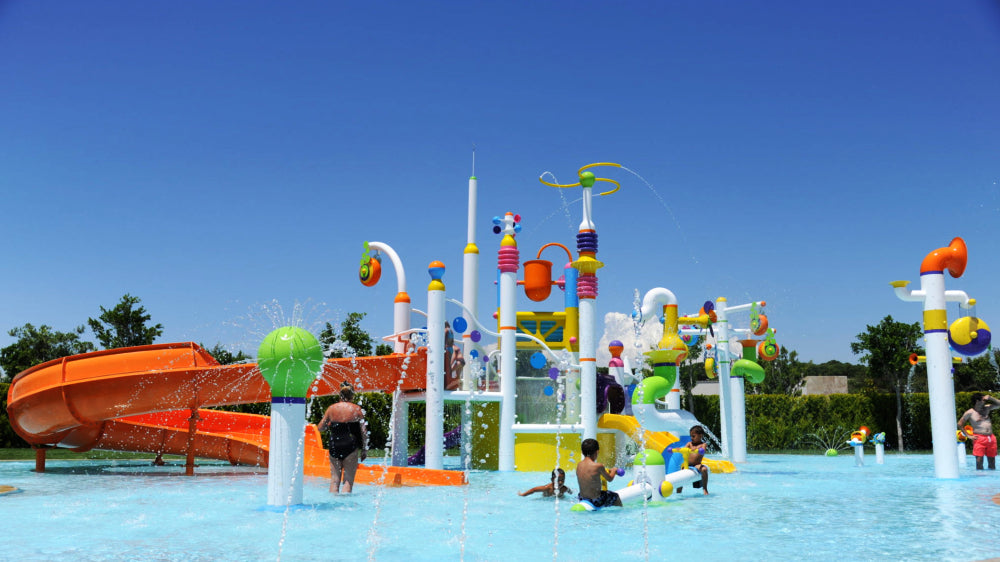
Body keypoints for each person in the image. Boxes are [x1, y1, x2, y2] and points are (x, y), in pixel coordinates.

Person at [318, 381, 368, 493]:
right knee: (348, 481)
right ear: (352, 395)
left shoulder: (331, 409)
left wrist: (329, 424)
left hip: (335, 445)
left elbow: (320, 427)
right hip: (351, 445)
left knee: (334, 481)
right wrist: (364, 449)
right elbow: (364, 431)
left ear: (340, 395)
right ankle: (345, 507)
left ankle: (332, 506)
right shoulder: (357, 409)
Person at [958, 393, 1000, 470]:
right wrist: (968, 435)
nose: (985, 401)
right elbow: (960, 424)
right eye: (983, 400)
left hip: (991, 437)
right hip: (979, 438)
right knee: (979, 461)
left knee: (992, 461)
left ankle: (990, 479)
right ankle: (980, 477)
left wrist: (990, 398)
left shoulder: (987, 408)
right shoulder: (970, 412)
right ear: (977, 401)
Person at [575, 438, 622, 508]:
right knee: (615, 496)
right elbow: (610, 479)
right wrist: (614, 470)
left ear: (582, 452)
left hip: (582, 498)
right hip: (595, 500)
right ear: (597, 452)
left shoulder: (579, 465)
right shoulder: (598, 466)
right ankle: (620, 512)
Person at [675, 425, 709, 495]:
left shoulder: (703, 445)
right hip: (687, 464)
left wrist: (696, 449)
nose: (691, 438)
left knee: (704, 469)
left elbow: (703, 450)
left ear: (700, 435)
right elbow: (684, 449)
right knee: (681, 476)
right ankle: (678, 492)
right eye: (691, 436)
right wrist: (680, 450)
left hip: (697, 465)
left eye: (693, 436)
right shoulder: (689, 444)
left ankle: (705, 489)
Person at [444, 322, 465, 391]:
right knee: (458, 376)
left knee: (449, 372)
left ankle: (449, 385)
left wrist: (450, 365)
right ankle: (460, 389)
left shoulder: (446, 330)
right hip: (462, 362)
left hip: (459, 361)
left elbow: (453, 357)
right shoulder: (451, 331)